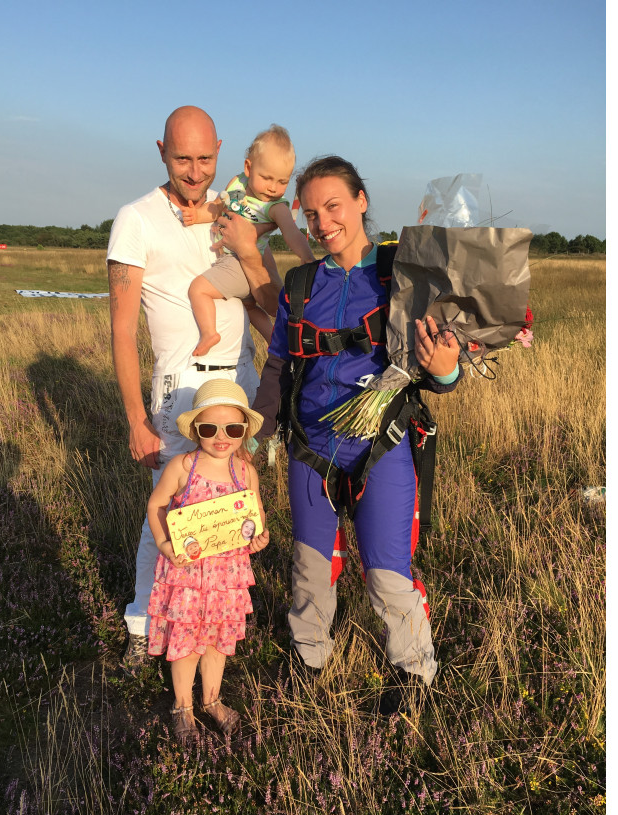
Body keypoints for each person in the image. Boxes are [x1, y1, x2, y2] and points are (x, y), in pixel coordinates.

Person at [252, 156, 463, 714]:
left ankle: (414, 672)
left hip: (383, 445)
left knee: (388, 568)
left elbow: (444, 370)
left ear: (362, 201)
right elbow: (278, 365)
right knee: (309, 564)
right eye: (311, 213)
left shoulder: (404, 274)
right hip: (312, 443)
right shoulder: (299, 285)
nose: (322, 224)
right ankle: (309, 654)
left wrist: (445, 368)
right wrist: (255, 437)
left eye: (334, 207)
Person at [107, 106, 280, 675]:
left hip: (241, 386)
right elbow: (124, 330)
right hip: (182, 394)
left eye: (206, 158)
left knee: (230, 506)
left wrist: (252, 251)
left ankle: (211, 622)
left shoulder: (235, 216)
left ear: (221, 152)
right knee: (165, 511)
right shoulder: (136, 219)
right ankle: (144, 622)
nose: (195, 169)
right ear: (161, 150)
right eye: (182, 157)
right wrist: (136, 418)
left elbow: (267, 307)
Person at [145, 380, 269, 742]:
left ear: (244, 431)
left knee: (217, 640)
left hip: (226, 575)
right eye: (209, 428)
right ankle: (183, 706)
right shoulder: (183, 467)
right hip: (187, 574)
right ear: (196, 430)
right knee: (186, 641)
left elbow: (255, 514)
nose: (221, 437)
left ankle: (211, 699)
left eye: (232, 429)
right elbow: (156, 505)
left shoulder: (246, 472)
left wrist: (260, 536)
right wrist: (164, 542)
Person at [181, 124, 315, 355]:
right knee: (249, 306)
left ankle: (208, 332)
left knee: (198, 289)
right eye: (267, 178)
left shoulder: (275, 207)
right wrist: (197, 216)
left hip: (239, 262)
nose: (273, 188)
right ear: (248, 168)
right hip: (236, 260)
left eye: (282, 182)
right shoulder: (237, 184)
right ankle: (276, 340)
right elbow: (217, 208)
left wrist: (307, 257)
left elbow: (291, 232)